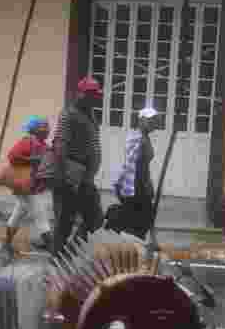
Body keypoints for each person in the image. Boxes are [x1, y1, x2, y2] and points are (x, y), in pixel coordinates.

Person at [49, 76, 104, 258]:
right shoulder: (69, 114)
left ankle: (69, 252)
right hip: (70, 176)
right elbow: (60, 145)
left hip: (85, 177)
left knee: (95, 219)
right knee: (65, 221)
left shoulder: (90, 113)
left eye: (96, 94)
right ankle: (57, 259)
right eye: (91, 94)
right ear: (80, 95)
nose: (95, 97)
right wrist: (61, 175)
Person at [0, 116, 53, 255]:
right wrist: (31, 160)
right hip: (27, 187)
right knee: (40, 216)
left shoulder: (44, 145)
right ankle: (52, 247)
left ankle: (6, 244)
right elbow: (12, 156)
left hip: (31, 186)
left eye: (47, 127)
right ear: (34, 129)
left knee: (18, 214)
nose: (47, 129)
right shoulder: (27, 141)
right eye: (43, 127)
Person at [110, 106, 159, 239]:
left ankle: (136, 246)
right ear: (141, 120)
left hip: (139, 185)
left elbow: (142, 166)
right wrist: (145, 186)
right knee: (139, 222)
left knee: (142, 221)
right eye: (150, 120)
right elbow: (132, 165)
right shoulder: (138, 138)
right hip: (134, 187)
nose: (154, 123)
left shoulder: (144, 137)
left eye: (155, 120)